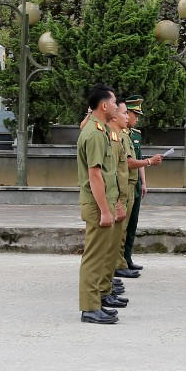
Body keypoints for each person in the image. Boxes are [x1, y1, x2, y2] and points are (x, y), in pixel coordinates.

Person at [77, 85, 124, 324]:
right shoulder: (95, 133)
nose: (117, 106)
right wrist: (105, 209)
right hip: (97, 205)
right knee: (94, 257)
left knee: (100, 254)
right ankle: (89, 307)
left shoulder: (101, 130)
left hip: (103, 202)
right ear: (104, 105)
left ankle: (96, 302)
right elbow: (95, 175)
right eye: (114, 102)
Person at [120, 96, 160, 276]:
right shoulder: (119, 134)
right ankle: (120, 262)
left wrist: (143, 182)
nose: (136, 118)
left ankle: (127, 257)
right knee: (122, 226)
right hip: (124, 184)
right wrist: (150, 162)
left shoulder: (135, 134)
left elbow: (139, 157)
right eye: (134, 114)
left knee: (133, 223)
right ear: (126, 113)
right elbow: (132, 162)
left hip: (134, 183)